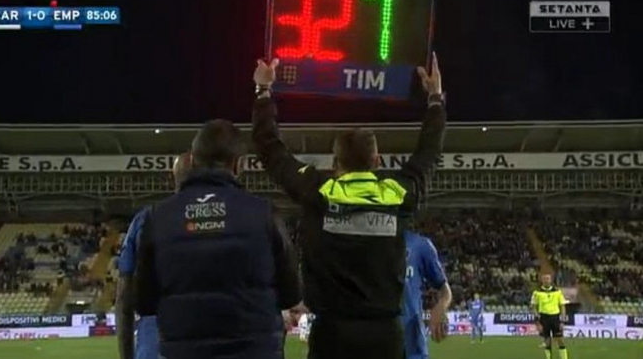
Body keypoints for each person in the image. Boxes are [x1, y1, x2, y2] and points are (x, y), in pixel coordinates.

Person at [252, 54, 446, 359]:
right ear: (376, 162)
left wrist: (264, 92)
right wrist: (435, 98)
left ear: (334, 164)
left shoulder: (318, 189)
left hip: (331, 334)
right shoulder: (396, 193)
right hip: (384, 335)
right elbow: (428, 155)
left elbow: (270, 150)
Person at [135, 120, 301, 359]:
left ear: (192, 161)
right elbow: (291, 294)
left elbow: (143, 302)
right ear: (238, 165)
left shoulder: (157, 218)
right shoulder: (265, 214)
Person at [116, 153, 192, 359]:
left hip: (154, 342)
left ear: (173, 177)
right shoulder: (230, 220)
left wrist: (126, 355)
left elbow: (124, 297)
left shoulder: (145, 220)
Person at [402, 230, 452, 359]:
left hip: (413, 346)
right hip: (379, 341)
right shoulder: (368, 245)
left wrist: (440, 309)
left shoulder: (419, 245)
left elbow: (445, 291)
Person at [531, 273, 569, 359]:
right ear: (542, 280)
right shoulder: (537, 293)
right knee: (547, 341)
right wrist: (538, 323)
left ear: (551, 280)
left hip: (555, 317)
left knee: (560, 340)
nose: (546, 281)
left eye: (548, 279)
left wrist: (562, 321)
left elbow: (562, 306)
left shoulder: (557, 292)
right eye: (544, 279)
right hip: (544, 318)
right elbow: (534, 307)